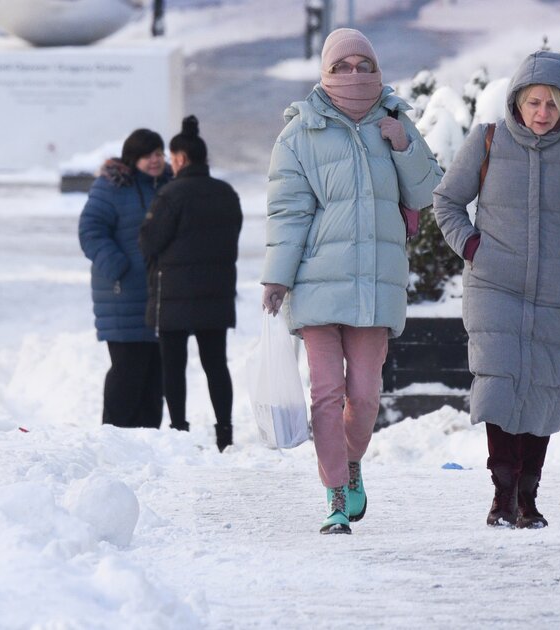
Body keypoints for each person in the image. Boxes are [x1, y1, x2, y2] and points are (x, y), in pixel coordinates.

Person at [432, 51, 560, 529]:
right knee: (499, 384)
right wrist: (472, 246)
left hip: (559, 291)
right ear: (517, 100)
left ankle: (529, 495)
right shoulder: (488, 140)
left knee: (543, 388)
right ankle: (502, 495)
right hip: (494, 285)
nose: (542, 112)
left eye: (553, 105)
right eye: (534, 101)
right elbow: (447, 201)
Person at [261, 29, 443, 534]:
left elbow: (429, 191)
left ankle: (350, 460)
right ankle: (336, 495)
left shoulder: (396, 120)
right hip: (316, 282)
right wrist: (277, 279)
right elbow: (287, 211)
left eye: (365, 64)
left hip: (375, 283)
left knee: (363, 397)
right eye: (343, 65)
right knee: (326, 393)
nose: (355, 74)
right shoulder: (301, 133)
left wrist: (403, 145)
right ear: (325, 71)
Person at [139, 116, 243, 452]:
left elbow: (150, 242)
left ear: (180, 159)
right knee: (216, 365)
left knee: (175, 367)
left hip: (174, 298)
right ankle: (224, 433)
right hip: (216, 294)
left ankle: (179, 429)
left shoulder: (170, 195)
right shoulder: (227, 193)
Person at [79, 129, 171, 429]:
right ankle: (116, 434)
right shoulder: (111, 187)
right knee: (128, 368)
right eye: (148, 155)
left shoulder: (169, 185)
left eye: (159, 153)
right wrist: (119, 266)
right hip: (122, 292)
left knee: (155, 372)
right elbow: (90, 231)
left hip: (160, 295)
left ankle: (149, 438)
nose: (155, 160)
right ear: (133, 158)